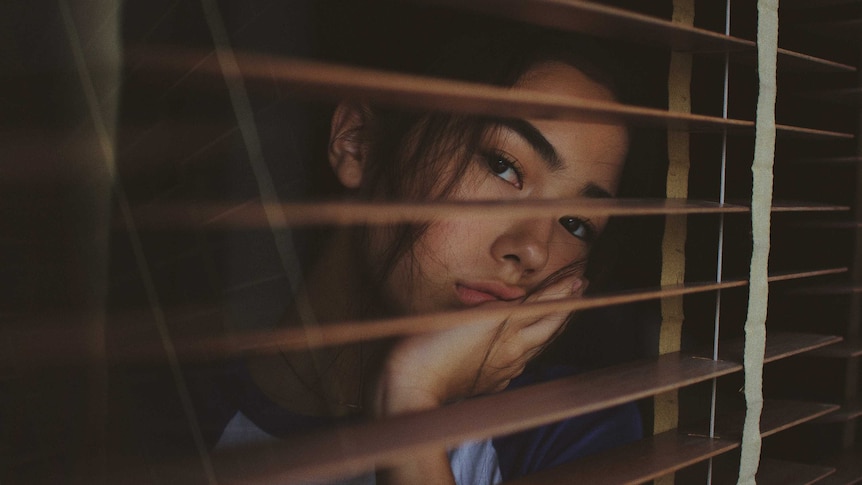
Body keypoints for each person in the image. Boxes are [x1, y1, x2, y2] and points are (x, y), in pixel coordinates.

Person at [210, 25, 644, 484]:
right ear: (358, 144)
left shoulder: (570, 433)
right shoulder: (173, 419)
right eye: (504, 166)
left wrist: (409, 397)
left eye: (577, 224)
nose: (535, 249)